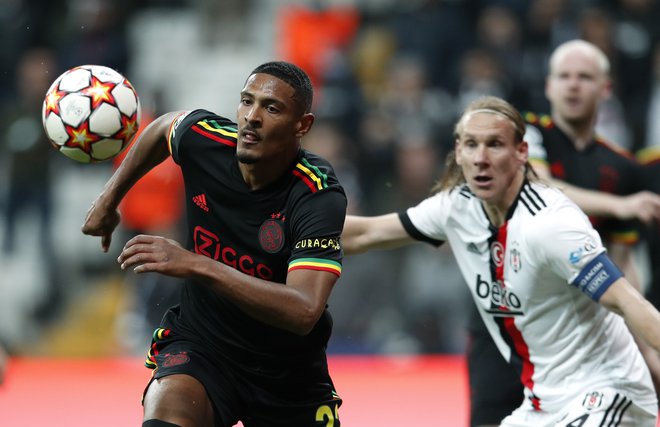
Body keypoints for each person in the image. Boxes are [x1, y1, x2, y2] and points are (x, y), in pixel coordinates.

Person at [342, 95, 660, 426]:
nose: (481, 158)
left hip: (608, 394)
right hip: (542, 406)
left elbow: (627, 302)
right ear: (458, 152)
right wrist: (292, 228)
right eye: (471, 145)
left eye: (495, 144)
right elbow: (364, 234)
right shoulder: (454, 208)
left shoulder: (551, 223)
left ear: (521, 153)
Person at [82, 61, 346, 427]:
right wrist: (109, 201)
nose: (251, 117)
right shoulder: (207, 139)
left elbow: (303, 311)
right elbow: (161, 129)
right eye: (246, 102)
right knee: (165, 411)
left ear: (303, 125)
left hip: (286, 373)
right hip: (203, 346)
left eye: (271, 108)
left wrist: (197, 264)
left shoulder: (317, 195)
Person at [466, 39, 660, 427]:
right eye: (564, 76)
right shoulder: (520, 134)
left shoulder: (622, 167)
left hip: (575, 341)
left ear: (605, 88)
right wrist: (619, 205)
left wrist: (647, 352)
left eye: (585, 77)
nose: (573, 85)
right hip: (504, 321)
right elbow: (540, 185)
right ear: (549, 85)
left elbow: (621, 265)